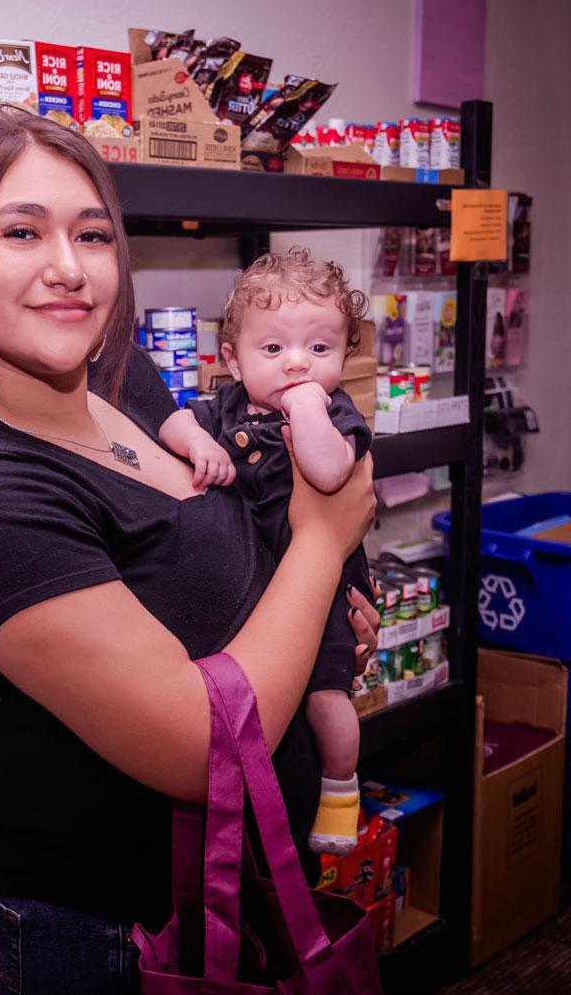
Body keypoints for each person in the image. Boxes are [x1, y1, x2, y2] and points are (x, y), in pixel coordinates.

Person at [0, 111, 379, 995]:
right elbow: (203, 745)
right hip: (108, 939)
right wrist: (323, 542)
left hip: (237, 893)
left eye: (94, 234)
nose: (69, 268)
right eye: (22, 232)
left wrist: (319, 628)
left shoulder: (119, 383)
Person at [159, 248, 374, 854]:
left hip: (324, 588)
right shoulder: (223, 406)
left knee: (327, 699)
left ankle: (341, 790)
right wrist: (197, 444)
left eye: (320, 349)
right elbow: (171, 424)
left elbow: (332, 475)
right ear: (232, 357)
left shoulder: (334, 412)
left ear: (344, 355)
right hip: (255, 589)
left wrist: (306, 408)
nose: (297, 364)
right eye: (274, 350)